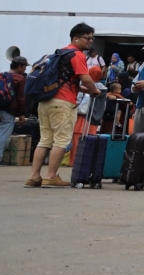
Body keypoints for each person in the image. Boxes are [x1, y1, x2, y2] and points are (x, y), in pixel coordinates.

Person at [26, 23, 101, 188]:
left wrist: (85, 89)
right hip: (63, 103)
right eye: (87, 38)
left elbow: (68, 81)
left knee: (45, 139)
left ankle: (34, 176)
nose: (90, 41)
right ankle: (51, 176)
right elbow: (85, 78)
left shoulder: (59, 53)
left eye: (92, 38)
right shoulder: (77, 55)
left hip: (45, 100)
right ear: (75, 38)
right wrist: (94, 90)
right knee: (61, 140)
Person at [1, 56, 29, 158]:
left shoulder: (2, 75)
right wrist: (22, 113)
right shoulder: (20, 78)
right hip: (8, 111)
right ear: (19, 67)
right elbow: (21, 97)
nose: (25, 69)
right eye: (25, 67)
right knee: (3, 134)